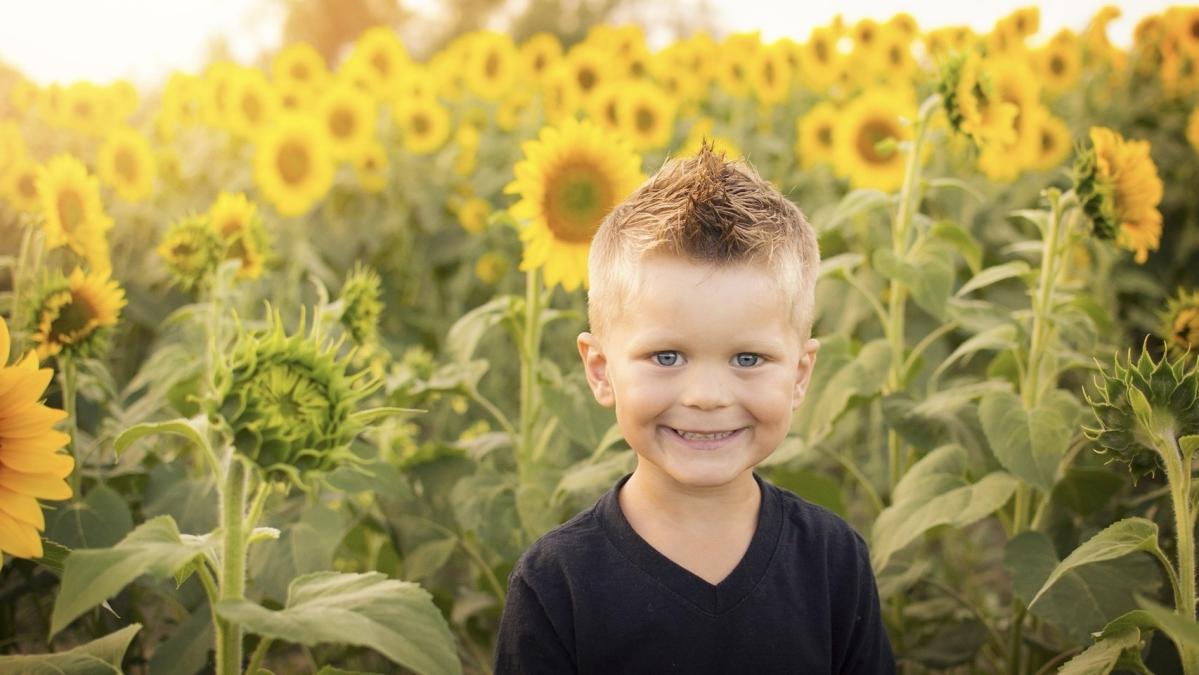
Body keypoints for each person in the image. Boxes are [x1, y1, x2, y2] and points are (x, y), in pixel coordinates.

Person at [493, 143, 896, 674]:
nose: (706, 395)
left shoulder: (832, 561)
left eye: (748, 358)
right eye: (667, 356)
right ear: (601, 370)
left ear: (799, 375)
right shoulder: (556, 583)